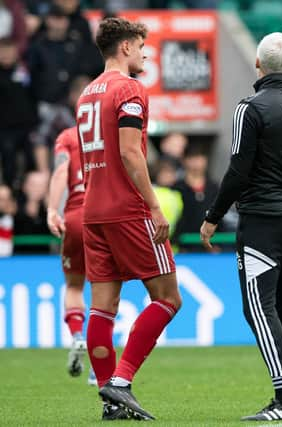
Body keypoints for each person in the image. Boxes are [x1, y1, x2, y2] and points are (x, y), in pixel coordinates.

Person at [199, 32, 282, 422]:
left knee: (259, 308)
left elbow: (238, 171)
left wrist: (211, 216)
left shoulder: (250, 108)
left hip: (262, 222)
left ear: (258, 65)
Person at [77, 17, 182, 421]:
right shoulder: (130, 89)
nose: (144, 54)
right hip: (127, 209)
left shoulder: (87, 94)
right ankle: (120, 381)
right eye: (141, 47)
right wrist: (155, 205)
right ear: (124, 48)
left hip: (93, 211)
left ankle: (110, 404)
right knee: (169, 298)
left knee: (102, 309)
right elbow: (129, 151)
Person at [47, 126, 96, 386]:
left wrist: (52, 209)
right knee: (106, 288)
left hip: (76, 216)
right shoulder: (110, 133)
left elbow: (60, 171)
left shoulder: (66, 137)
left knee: (74, 285)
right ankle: (101, 365)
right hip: (105, 215)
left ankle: (78, 335)